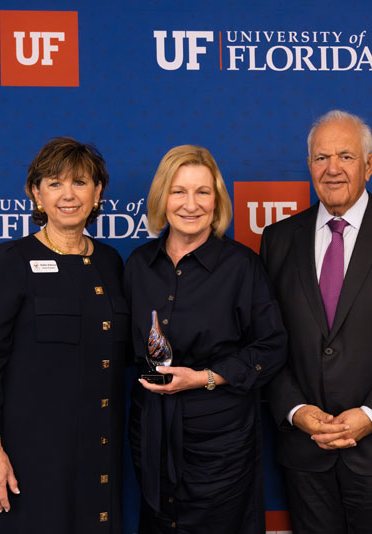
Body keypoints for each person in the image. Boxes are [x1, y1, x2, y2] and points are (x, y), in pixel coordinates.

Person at [259, 110, 372, 534]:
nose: (333, 169)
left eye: (345, 155)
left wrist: (371, 414)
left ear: (369, 164)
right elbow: (266, 339)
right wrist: (297, 410)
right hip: (306, 444)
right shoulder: (278, 239)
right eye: (321, 157)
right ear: (309, 166)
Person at [125, 145, 287, 534]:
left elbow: (272, 346)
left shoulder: (241, 266)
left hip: (221, 440)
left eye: (202, 191)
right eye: (179, 191)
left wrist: (203, 377)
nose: (190, 204)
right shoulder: (137, 266)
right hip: (151, 432)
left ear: (217, 201)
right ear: (162, 198)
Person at [0, 137, 127, 533]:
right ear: (36, 194)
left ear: (97, 193)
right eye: (54, 183)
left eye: (79, 183)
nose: (68, 195)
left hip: (100, 451)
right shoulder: (11, 260)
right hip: (30, 458)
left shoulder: (110, 262)